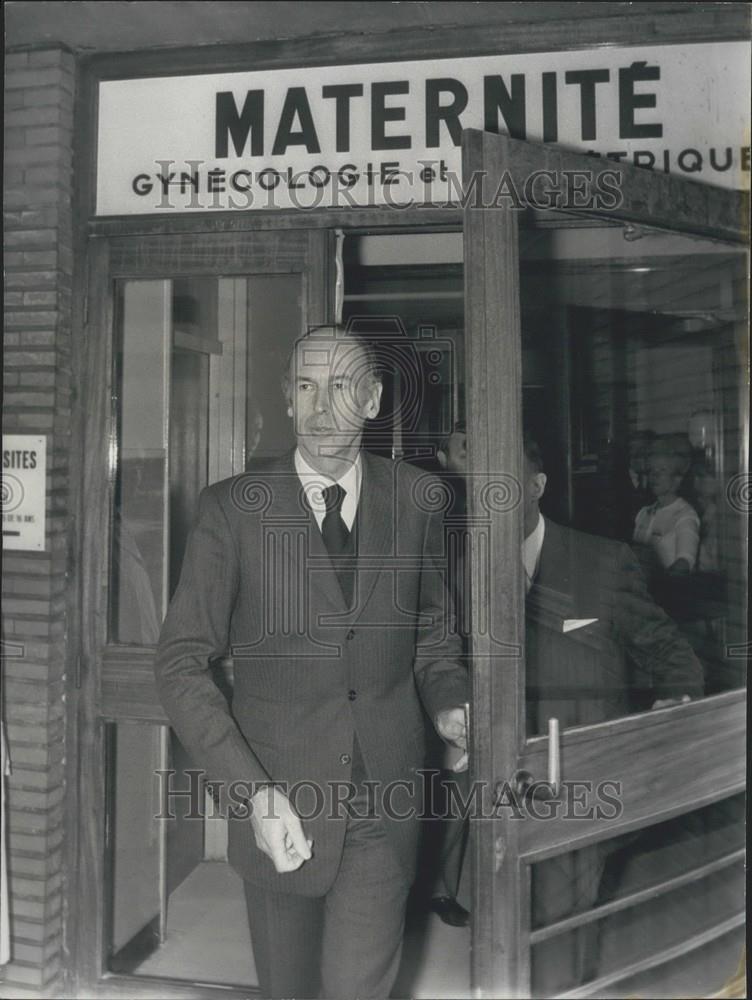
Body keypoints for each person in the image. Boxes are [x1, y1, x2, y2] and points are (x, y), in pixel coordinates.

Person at [154, 325, 469, 999]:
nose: (323, 407)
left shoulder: (417, 500)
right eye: (306, 386)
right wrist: (252, 793)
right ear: (288, 402)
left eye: (342, 385)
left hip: (385, 800)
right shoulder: (232, 509)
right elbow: (181, 663)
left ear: (375, 399)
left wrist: (451, 705)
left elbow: (434, 637)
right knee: (288, 988)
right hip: (280, 800)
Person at [522, 435, 704, 995]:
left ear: (536, 486)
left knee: (556, 933)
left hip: (571, 775)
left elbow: (671, 654)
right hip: (490, 783)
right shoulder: (456, 563)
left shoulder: (600, 563)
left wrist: (670, 717)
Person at [429, 423, 471, 928]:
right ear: (443, 457)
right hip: (432, 653)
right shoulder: (431, 507)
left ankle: (445, 887)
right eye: (464, 448)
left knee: (466, 777)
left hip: (480, 653)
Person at [632, 442, 700, 576]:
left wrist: (662, 585)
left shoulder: (685, 515)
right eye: (651, 470)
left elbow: (685, 562)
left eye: (662, 470)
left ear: (677, 478)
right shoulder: (643, 513)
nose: (654, 476)